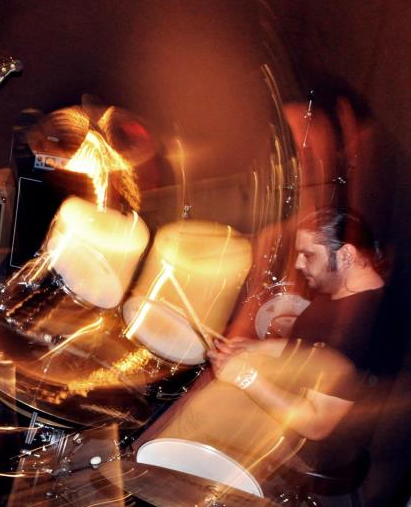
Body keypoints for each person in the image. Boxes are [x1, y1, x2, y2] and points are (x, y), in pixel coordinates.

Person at [144, 207, 386, 493]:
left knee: (203, 414)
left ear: (345, 255)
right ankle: (157, 467)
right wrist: (254, 346)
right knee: (207, 393)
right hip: (293, 394)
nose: (299, 264)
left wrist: (246, 378)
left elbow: (317, 425)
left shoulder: (362, 329)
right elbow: (306, 348)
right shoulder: (345, 292)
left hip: (304, 442)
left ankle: (157, 483)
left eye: (308, 255)